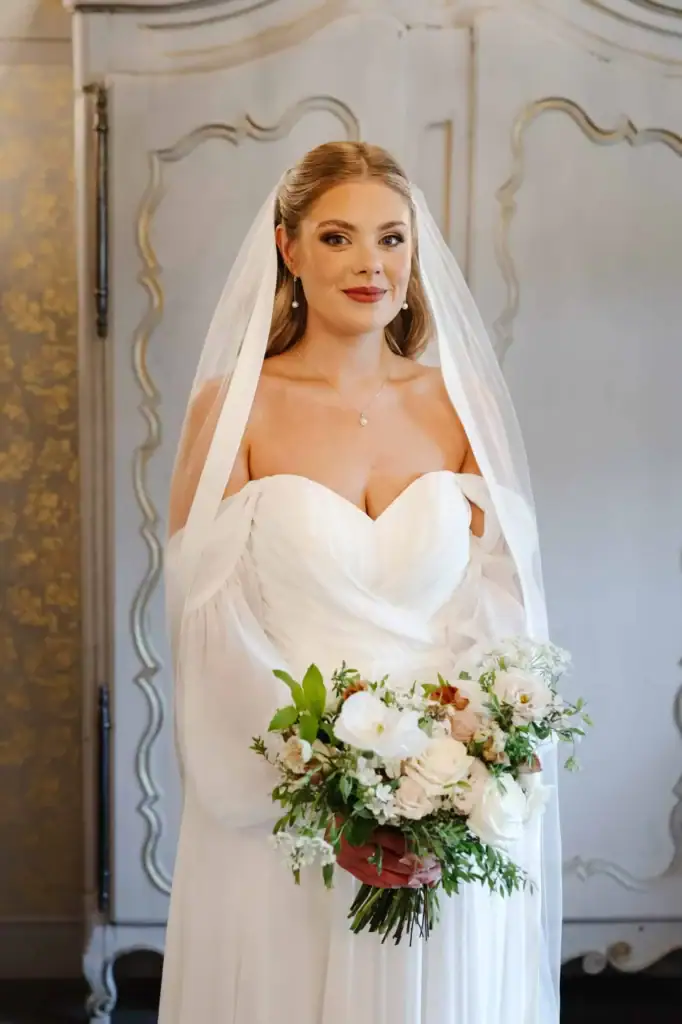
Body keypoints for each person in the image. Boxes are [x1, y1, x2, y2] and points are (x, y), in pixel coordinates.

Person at [160, 141, 561, 1024]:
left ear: (417, 257)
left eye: (392, 238)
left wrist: (466, 768)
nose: (371, 264)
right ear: (289, 249)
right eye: (338, 237)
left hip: (443, 804)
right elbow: (209, 622)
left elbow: (500, 609)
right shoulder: (235, 408)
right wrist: (333, 793)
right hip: (288, 799)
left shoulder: (461, 407)